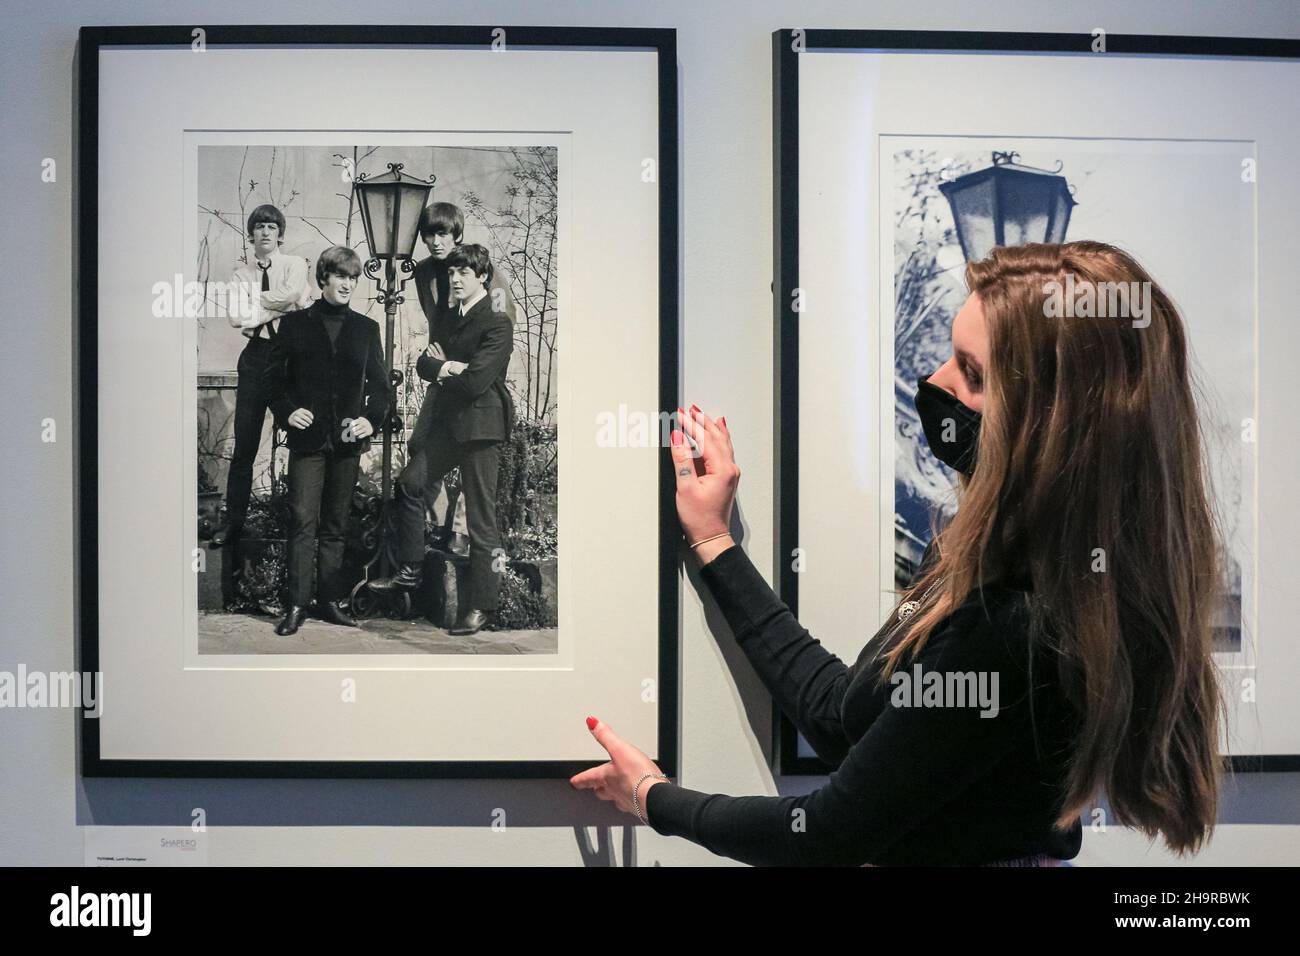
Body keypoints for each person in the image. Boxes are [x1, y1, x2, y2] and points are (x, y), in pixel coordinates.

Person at [570, 241, 1227, 866]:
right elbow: (840, 714)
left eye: (970, 372)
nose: (935, 380)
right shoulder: (1000, 573)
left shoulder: (1012, 621)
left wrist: (649, 796)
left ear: (1045, 424)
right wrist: (715, 542)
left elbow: (825, 835)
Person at [368, 244, 515, 637]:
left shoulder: (497, 324)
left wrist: (443, 366)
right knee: (410, 483)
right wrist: (449, 366)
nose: (455, 280)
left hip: (482, 430)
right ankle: (411, 569)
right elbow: (422, 364)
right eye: (452, 274)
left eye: (464, 273)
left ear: (482, 277)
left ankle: (483, 605)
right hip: (448, 427)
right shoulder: (449, 318)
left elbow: (477, 381)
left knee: (482, 520)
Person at [264, 246, 389, 637]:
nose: (348, 283)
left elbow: (382, 391)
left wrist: (370, 420)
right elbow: (272, 381)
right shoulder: (296, 325)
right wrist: (288, 411)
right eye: (340, 276)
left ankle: (330, 602)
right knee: (303, 521)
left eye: (353, 277)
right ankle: (298, 604)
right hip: (308, 442)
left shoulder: (366, 329)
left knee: (336, 525)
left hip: (347, 444)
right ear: (323, 280)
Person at [407, 201, 518, 551]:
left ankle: (461, 533)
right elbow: (434, 323)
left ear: (457, 235)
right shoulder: (423, 272)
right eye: (429, 234)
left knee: (476, 461)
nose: (436, 241)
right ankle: (432, 529)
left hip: (477, 376)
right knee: (419, 446)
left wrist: (463, 366)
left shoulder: (482, 270)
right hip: (442, 368)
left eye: (443, 234)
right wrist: (440, 364)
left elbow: (499, 325)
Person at [210, 204, 310, 549]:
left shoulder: (294, 265)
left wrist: (256, 303)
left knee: (300, 436)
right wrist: (275, 304)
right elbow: (237, 318)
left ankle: (298, 523)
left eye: (271, 226)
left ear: (280, 233)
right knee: (245, 446)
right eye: (259, 227)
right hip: (255, 358)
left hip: (291, 359)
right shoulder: (240, 275)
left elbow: (296, 294)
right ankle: (234, 524)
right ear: (251, 234)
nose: (265, 232)